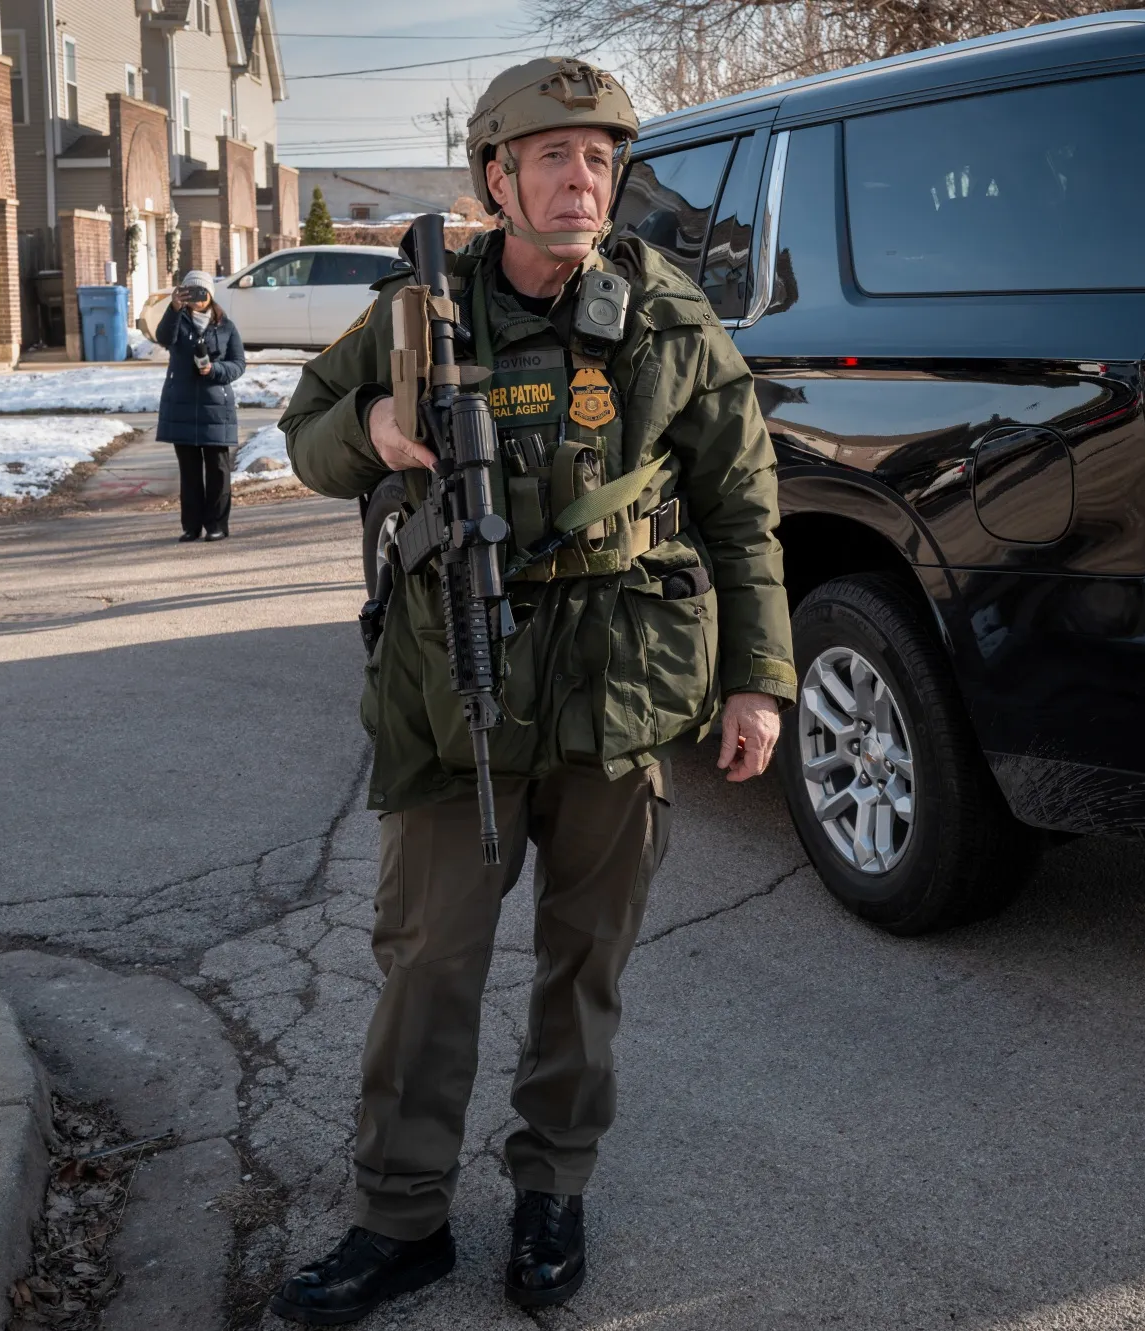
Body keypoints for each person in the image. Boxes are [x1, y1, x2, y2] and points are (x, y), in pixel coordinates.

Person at [272, 56, 797, 1324]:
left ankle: (551, 1189)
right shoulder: (417, 312)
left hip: (618, 694)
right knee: (427, 965)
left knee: (584, 965)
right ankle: (399, 1217)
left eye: (600, 159)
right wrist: (373, 430)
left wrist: (756, 680)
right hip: (451, 692)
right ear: (495, 178)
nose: (581, 180)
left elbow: (741, 511)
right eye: (554, 156)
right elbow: (303, 434)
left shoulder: (667, 319)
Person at [156, 270, 247, 541]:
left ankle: (217, 525)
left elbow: (238, 364)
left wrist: (214, 370)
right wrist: (173, 308)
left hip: (216, 407)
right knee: (189, 471)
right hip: (181, 406)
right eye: (191, 291)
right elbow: (164, 338)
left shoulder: (226, 326)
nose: (197, 297)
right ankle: (191, 526)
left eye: (202, 291)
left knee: (218, 470)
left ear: (210, 294)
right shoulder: (177, 321)